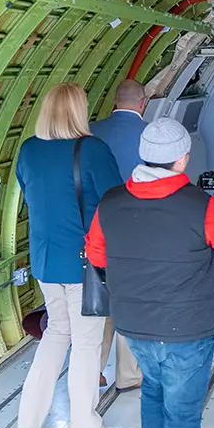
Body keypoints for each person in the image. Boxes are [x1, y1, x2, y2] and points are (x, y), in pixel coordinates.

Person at [86, 118, 214, 428]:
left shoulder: (111, 202)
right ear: (183, 159)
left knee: (153, 392)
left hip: (135, 324)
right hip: (187, 328)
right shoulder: (199, 204)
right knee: (182, 412)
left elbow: (96, 255)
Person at [13, 83, 125, 428]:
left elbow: (30, 194)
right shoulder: (91, 150)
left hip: (46, 262)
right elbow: (116, 201)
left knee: (56, 334)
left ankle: (29, 419)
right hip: (85, 263)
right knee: (87, 345)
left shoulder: (28, 150)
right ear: (78, 111)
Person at [89, 78, 148, 391]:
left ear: (114, 101)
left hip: (96, 231)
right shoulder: (150, 135)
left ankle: (93, 369)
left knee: (101, 304)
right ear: (143, 103)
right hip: (136, 233)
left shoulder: (90, 132)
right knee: (131, 302)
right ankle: (129, 375)